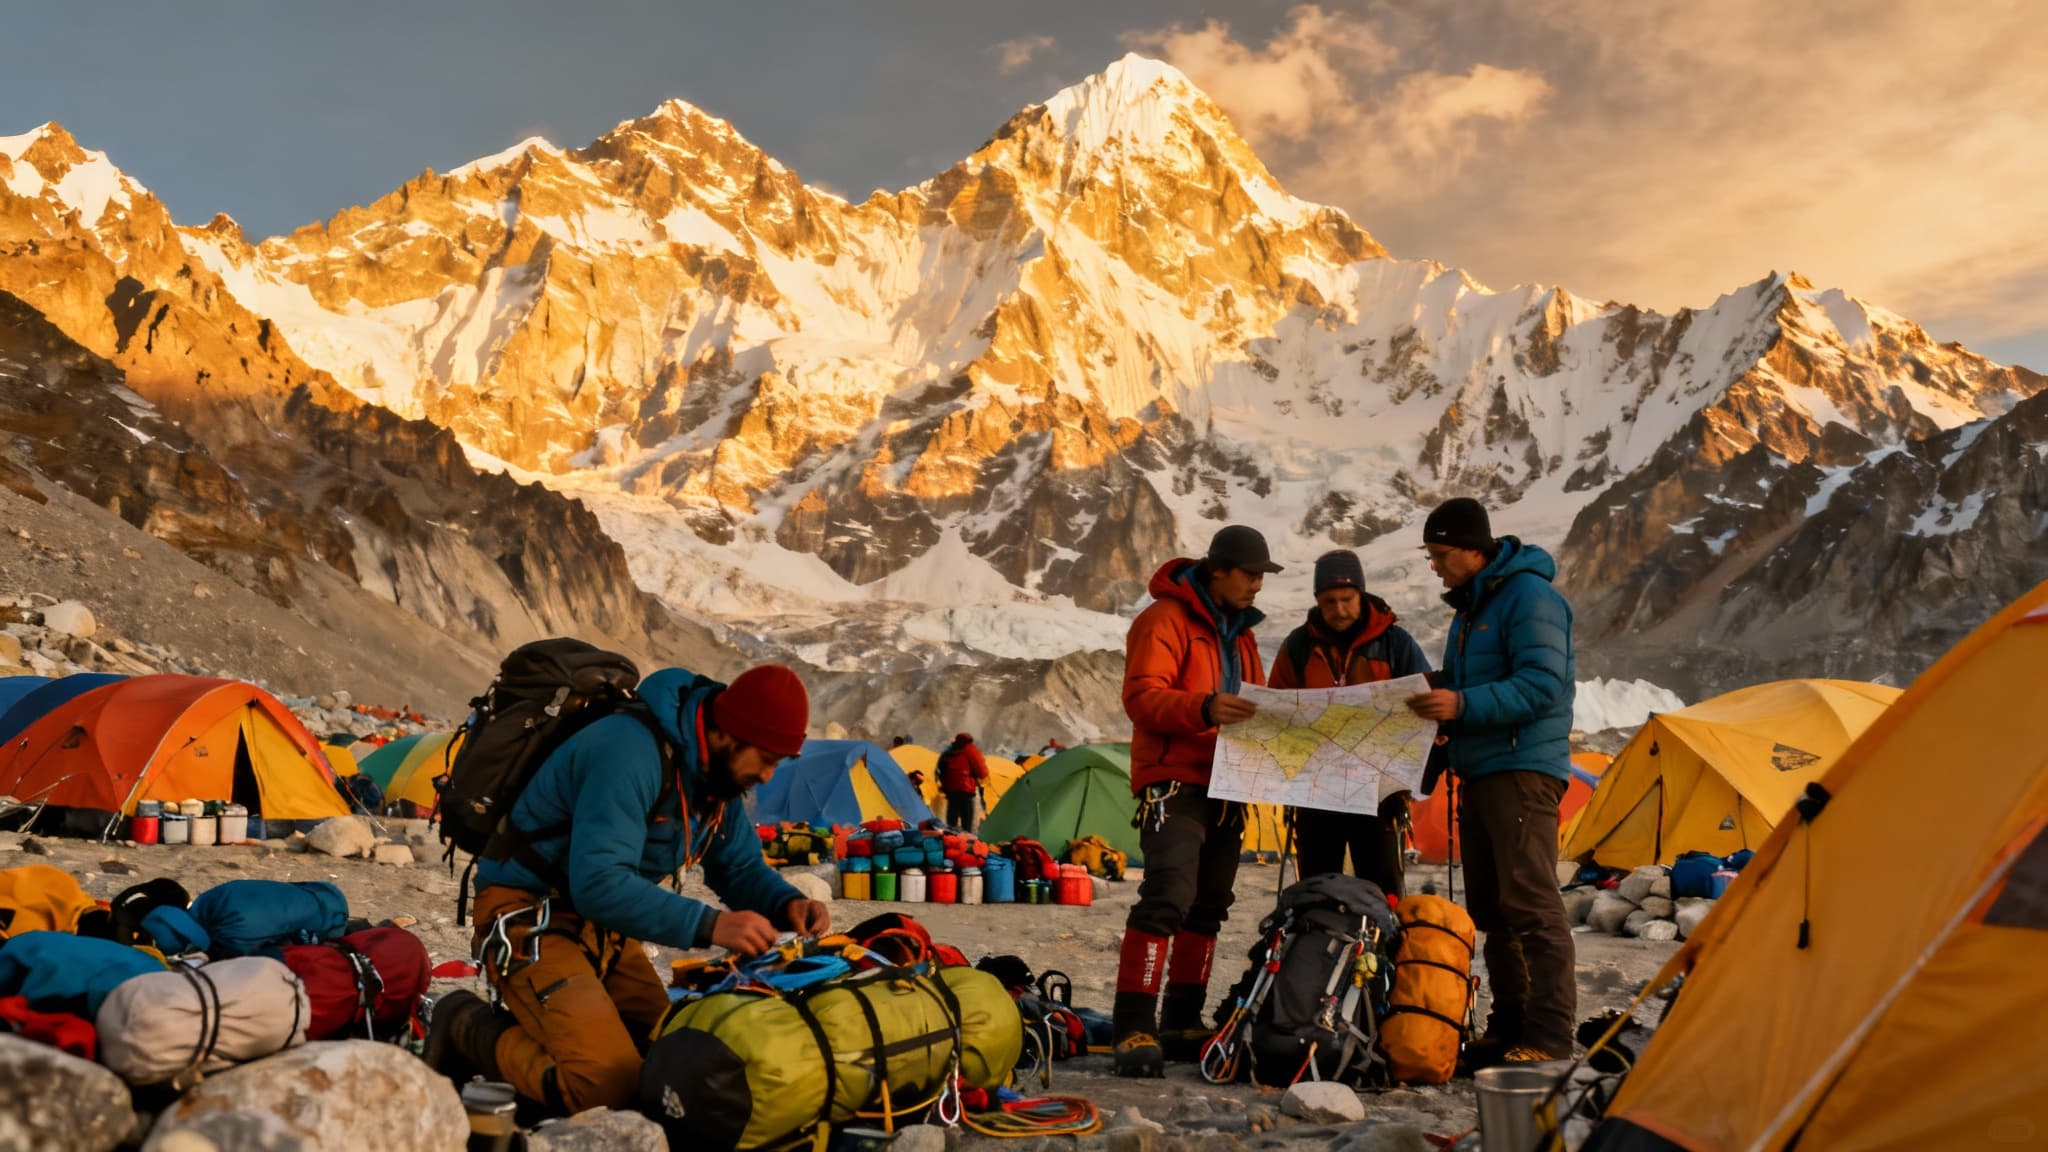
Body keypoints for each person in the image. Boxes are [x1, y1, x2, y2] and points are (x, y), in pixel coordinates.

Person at [423, 664, 829, 1115]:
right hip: (527, 916)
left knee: (676, 1059)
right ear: (727, 733)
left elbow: (737, 866)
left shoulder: (716, 776)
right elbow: (599, 882)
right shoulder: (629, 750)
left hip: (602, 926)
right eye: (766, 759)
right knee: (606, 1084)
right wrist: (710, 925)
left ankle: (556, 1037)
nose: (769, 775)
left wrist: (786, 903)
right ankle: (463, 1023)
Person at [1405, 498, 1577, 1065]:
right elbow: (1468, 681)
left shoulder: (1529, 598)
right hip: (1481, 770)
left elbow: (1542, 683)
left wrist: (1460, 703)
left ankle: (1550, 1035)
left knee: (1530, 901)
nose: (1435, 566)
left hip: (1521, 768)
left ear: (1473, 550)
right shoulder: (1474, 607)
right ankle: (1510, 1025)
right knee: (1494, 908)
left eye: (1440, 555)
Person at [1113, 524, 1278, 1077]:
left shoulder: (1243, 634)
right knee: (1168, 896)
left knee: (1210, 903)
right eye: (1250, 574)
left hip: (1228, 783)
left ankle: (1182, 1020)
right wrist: (1203, 708)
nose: (1257, 584)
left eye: (1261, 576)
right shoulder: (1163, 619)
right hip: (1175, 779)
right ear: (1219, 570)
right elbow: (1142, 698)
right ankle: (1133, 1025)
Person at [1269, 549, 1430, 895]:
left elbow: (1426, 704)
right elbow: (1275, 711)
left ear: (1361, 594)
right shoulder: (1297, 647)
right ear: (1317, 600)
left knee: (1382, 887)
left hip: (1380, 792)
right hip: (1315, 792)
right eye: (1330, 601)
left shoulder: (1395, 643)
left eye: (1347, 599)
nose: (1339, 610)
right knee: (1315, 889)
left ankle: (1381, 933)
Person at [936, 732, 989, 832]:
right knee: (967, 823)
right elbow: (982, 772)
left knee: (951, 822)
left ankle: (950, 838)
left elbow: (941, 770)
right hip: (966, 790)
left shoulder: (949, 751)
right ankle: (966, 838)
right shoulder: (971, 750)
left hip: (951, 791)